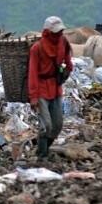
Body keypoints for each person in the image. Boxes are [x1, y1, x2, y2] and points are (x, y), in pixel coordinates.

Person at [29, 16, 73, 160]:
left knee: (58, 124)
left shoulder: (63, 42)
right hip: (41, 88)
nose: (59, 34)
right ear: (47, 32)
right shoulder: (37, 48)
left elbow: (67, 58)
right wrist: (33, 96)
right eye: (56, 32)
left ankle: (45, 148)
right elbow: (33, 73)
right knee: (46, 125)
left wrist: (68, 68)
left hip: (56, 87)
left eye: (60, 31)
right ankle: (42, 156)